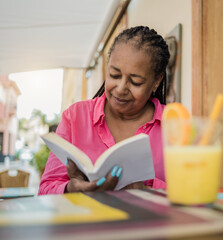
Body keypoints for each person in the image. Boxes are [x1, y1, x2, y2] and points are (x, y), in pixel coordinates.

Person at [38, 26, 170, 195]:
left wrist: (146, 189)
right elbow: (45, 190)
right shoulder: (75, 117)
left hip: (152, 221)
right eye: (114, 75)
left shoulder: (175, 125)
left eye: (136, 82)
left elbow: (195, 191)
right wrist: (70, 189)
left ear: (156, 81)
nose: (121, 88)